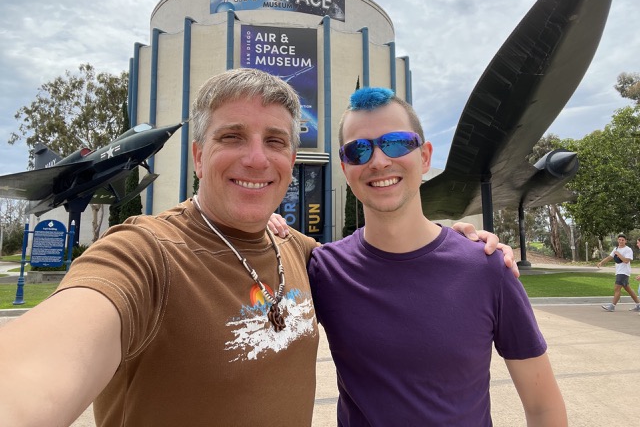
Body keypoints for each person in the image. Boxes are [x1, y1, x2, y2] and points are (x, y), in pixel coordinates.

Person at [0, 69, 513, 426]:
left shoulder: (306, 254)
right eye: (232, 137)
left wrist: (456, 237)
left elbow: (389, 251)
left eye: (275, 141)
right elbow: (40, 367)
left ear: (292, 158)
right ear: (199, 156)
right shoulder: (145, 252)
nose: (256, 159)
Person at [308, 87, 567, 426]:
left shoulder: (487, 266)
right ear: (345, 168)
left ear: (425, 157)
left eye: (396, 142)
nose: (379, 161)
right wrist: (266, 221)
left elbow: (543, 407)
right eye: (358, 150)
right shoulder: (325, 270)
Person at [598, 234, 640, 312]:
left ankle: (612, 306)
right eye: (619, 240)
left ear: (625, 241)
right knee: (629, 290)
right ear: (617, 240)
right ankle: (638, 305)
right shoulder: (616, 249)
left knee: (617, 288)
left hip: (624, 272)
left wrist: (619, 254)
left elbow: (626, 260)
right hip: (619, 271)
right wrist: (601, 262)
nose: (621, 241)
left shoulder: (628, 249)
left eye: (622, 240)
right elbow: (610, 257)